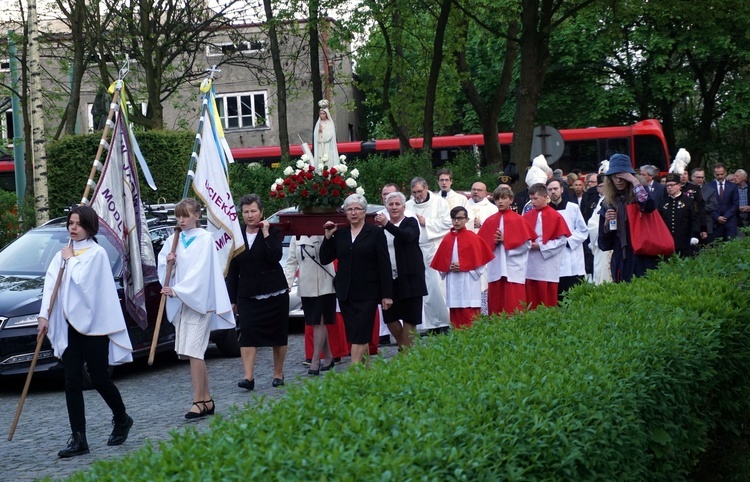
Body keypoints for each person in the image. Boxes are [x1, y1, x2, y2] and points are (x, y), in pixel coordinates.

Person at [37, 205, 133, 457]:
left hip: (93, 325)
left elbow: (85, 285)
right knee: (71, 381)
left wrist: (70, 259)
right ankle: (79, 438)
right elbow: (51, 285)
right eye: (70, 223)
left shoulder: (97, 253)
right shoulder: (62, 254)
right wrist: (44, 315)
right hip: (68, 325)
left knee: (99, 377)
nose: (73, 227)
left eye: (78, 224)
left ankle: (122, 417)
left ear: (89, 226)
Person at [158, 199, 234, 418]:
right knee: (191, 352)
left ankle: (197, 401)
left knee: (194, 351)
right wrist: (168, 262)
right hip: (183, 303)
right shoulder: (175, 239)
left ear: (196, 215)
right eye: (178, 216)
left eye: (185, 215)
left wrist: (177, 290)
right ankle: (207, 399)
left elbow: (201, 272)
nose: (181, 220)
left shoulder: (205, 239)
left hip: (199, 302)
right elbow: (164, 266)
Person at [320, 194, 394, 364]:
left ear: (364, 212)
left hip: (368, 292)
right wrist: (327, 237)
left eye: (357, 209)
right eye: (350, 209)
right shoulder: (340, 234)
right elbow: (325, 258)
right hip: (346, 292)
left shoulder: (375, 233)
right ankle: (365, 371)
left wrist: (387, 294)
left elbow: (384, 264)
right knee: (356, 333)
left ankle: (353, 370)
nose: (353, 213)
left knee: (361, 332)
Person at [227, 194, 289, 389]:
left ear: (261, 212)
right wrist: (232, 299)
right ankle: (248, 377)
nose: (250, 215)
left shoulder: (274, 232)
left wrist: (266, 233)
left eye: (253, 211)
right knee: (247, 333)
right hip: (248, 293)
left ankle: (278, 373)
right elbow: (233, 269)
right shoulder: (237, 236)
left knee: (278, 334)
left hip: (274, 292)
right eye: (246, 212)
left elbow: (275, 256)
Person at [374, 191, 427, 348]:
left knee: (410, 318)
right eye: (391, 204)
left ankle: (405, 354)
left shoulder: (410, 222)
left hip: (411, 277)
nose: (394, 207)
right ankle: (403, 346)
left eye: (397, 204)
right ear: (386, 207)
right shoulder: (379, 227)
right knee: (390, 317)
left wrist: (387, 225)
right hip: (389, 277)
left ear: (404, 206)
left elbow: (406, 237)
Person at [431, 206, 495, 329]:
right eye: (454, 218)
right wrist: (447, 266)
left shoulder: (473, 237)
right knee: (455, 316)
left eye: (460, 218)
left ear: (466, 220)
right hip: (453, 283)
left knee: (469, 316)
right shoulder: (447, 238)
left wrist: (464, 266)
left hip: (469, 283)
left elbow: (481, 262)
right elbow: (441, 262)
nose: (456, 221)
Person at [477, 186, 537, 314]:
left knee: (513, 303)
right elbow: (481, 246)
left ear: (511, 200)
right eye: (497, 199)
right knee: (496, 302)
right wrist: (494, 242)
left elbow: (527, 245)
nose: (500, 202)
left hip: (513, 267)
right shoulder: (490, 221)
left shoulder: (519, 220)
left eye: (504, 198)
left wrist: (507, 241)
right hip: (496, 266)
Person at [599, 154, 657, 282]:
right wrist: (607, 224)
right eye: (615, 177)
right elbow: (603, 243)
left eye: (622, 177)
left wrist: (635, 181)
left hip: (642, 254)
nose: (618, 181)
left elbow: (649, 206)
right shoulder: (608, 202)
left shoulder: (639, 194)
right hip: (620, 256)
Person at [283, 235, 337, 375]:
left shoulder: (323, 233)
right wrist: (287, 283)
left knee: (320, 321)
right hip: (306, 285)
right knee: (315, 322)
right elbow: (291, 261)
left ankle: (315, 360)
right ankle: (329, 356)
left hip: (324, 284)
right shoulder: (296, 237)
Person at [405, 177, 451, 334]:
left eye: (420, 191)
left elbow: (448, 223)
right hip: (416, 249)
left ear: (426, 188)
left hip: (435, 247)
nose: (417, 195)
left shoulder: (439, 203)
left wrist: (427, 222)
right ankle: (429, 325)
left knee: (437, 287)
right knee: (423, 288)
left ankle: (445, 322)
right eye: (414, 192)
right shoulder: (408, 205)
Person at [522, 183, 571, 308]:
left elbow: (561, 240)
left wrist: (541, 246)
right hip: (530, 263)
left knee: (546, 298)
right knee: (531, 297)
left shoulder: (555, 216)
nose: (532, 202)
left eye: (535, 199)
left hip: (547, 263)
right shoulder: (527, 216)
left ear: (545, 197)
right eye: (531, 199)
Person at [546, 178, 588, 300]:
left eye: (555, 189)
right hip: (554, 255)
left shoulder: (573, 207)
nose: (553, 192)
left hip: (572, 256)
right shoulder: (545, 211)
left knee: (575, 297)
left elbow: (583, 230)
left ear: (562, 190)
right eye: (550, 190)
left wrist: (567, 241)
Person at [658, 173, 700, 257]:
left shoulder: (689, 201)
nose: (669, 187)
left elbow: (695, 219)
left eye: (672, 185)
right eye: (667, 185)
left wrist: (695, 235)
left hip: (685, 240)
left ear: (679, 185)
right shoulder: (663, 203)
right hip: (668, 241)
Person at [587, 175, 613, 284]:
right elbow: (592, 224)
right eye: (601, 186)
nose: (603, 189)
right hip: (603, 247)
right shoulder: (601, 202)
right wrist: (605, 228)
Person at [709, 163, 739, 241]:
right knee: (716, 248)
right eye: (717, 174)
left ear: (725, 173)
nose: (720, 176)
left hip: (730, 222)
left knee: (731, 246)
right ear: (714, 174)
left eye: (722, 174)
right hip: (715, 223)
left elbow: (735, 204)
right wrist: (717, 217)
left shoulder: (733, 186)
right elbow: (707, 204)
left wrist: (726, 216)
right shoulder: (709, 186)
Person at [313, 99, 338, 167]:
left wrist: (322, 131)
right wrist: (318, 132)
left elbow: (331, 134)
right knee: (320, 160)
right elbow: (315, 136)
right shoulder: (318, 123)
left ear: (326, 114)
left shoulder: (329, 123)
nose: (322, 115)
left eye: (323, 114)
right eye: (320, 114)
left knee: (328, 161)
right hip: (320, 146)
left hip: (328, 146)